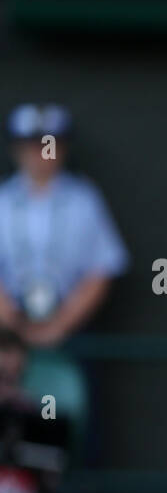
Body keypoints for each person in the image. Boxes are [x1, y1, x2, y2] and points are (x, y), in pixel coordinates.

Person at [0, 104, 127, 348]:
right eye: (32, 146)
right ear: (16, 149)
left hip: (71, 334)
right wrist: (11, 322)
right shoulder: (3, 200)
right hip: (7, 337)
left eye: (48, 145)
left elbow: (101, 269)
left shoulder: (84, 200)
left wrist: (61, 325)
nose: (41, 154)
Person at [0, 327, 68, 493]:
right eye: (1, 377)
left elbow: (53, 475)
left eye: (14, 379)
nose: (7, 387)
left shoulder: (39, 412)